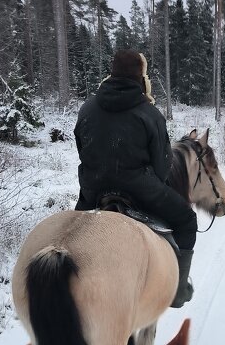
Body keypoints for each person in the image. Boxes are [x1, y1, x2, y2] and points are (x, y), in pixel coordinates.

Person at [74, 49, 196, 308]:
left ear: (111, 73)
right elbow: (162, 168)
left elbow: (81, 149)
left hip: (93, 190)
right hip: (140, 190)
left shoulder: (87, 107)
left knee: (72, 232)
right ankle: (177, 291)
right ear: (141, 77)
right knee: (187, 219)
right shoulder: (149, 113)